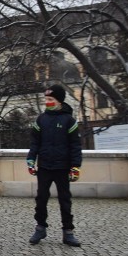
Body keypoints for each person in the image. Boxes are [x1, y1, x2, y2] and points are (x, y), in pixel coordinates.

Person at [27, 84, 83, 247]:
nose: (47, 102)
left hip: (62, 167)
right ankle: (40, 227)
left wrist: (75, 166)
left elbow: (75, 146)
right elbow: (34, 143)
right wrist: (31, 160)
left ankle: (68, 232)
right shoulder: (41, 119)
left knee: (65, 200)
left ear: (59, 101)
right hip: (45, 166)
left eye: (50, 99)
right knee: (41, 198)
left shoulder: (69, 120)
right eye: (46, 99)